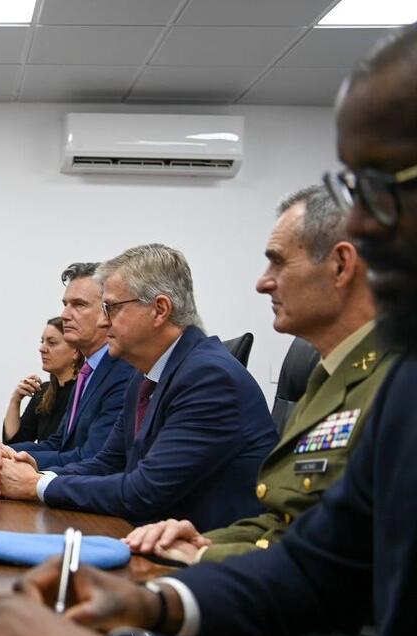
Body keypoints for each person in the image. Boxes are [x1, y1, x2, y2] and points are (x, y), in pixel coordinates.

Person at [0, 24, 417, 636]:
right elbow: (317, 561)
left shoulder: (214, 375)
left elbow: (142, 490)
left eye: (380, 188)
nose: (359, 224)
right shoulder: (398, 381)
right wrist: (157, 603)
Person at [125, 185, 393, 565]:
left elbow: (349, 555)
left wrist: (203, 559)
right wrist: (202, 544)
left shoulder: (394, 385)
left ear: (340, 265)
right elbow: (282, 520)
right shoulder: (326, 378)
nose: (263, 282)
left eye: (279, 263)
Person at [0, 244, 277, 531]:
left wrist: (36, 485)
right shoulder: (145, 376)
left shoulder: (209, 377)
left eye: (111, 308)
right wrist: (37, 473)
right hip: (147, 533)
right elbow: (107, 463)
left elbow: (145, 490)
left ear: (159, 310)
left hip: (200, 550)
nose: (102, 322)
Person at [0, 263, 136, 469]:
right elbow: (58, 444)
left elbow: (92, 458)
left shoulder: (123, 373)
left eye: (79, 305)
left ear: (108, 311)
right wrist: (1, 450)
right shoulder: (88, 373)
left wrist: (2, 455)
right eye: (65, 304)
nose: (65, 315)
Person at [1, 317, 80, 445]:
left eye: (52, 343)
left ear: (75, 351)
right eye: (42, 342)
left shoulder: (84, 391)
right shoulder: (44, 391)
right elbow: (15, 443)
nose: (42, 349)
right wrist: (15, 400)